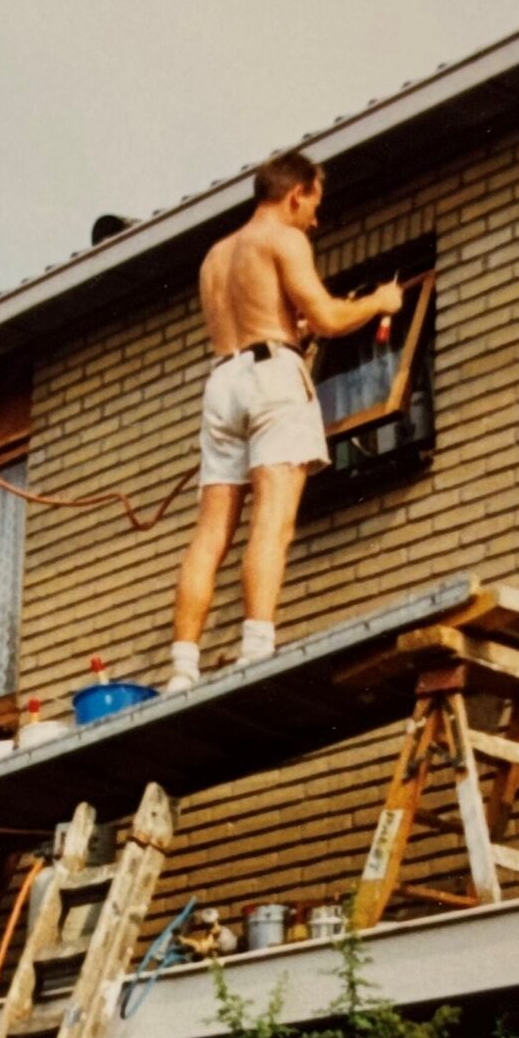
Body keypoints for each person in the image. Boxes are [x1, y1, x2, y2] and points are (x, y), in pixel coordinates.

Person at [166, 150, 403, 693]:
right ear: (296, 193)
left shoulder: (215, 256)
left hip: (222, 381)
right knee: (273, 517)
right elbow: (326, 316)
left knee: (210, 532)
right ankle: (256, 647)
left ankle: (182, 667)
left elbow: (264, 318)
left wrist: (291, 327)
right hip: (272, 379)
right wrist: (377, 301)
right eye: (314, 205)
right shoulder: (283, 239)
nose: (315, 221)